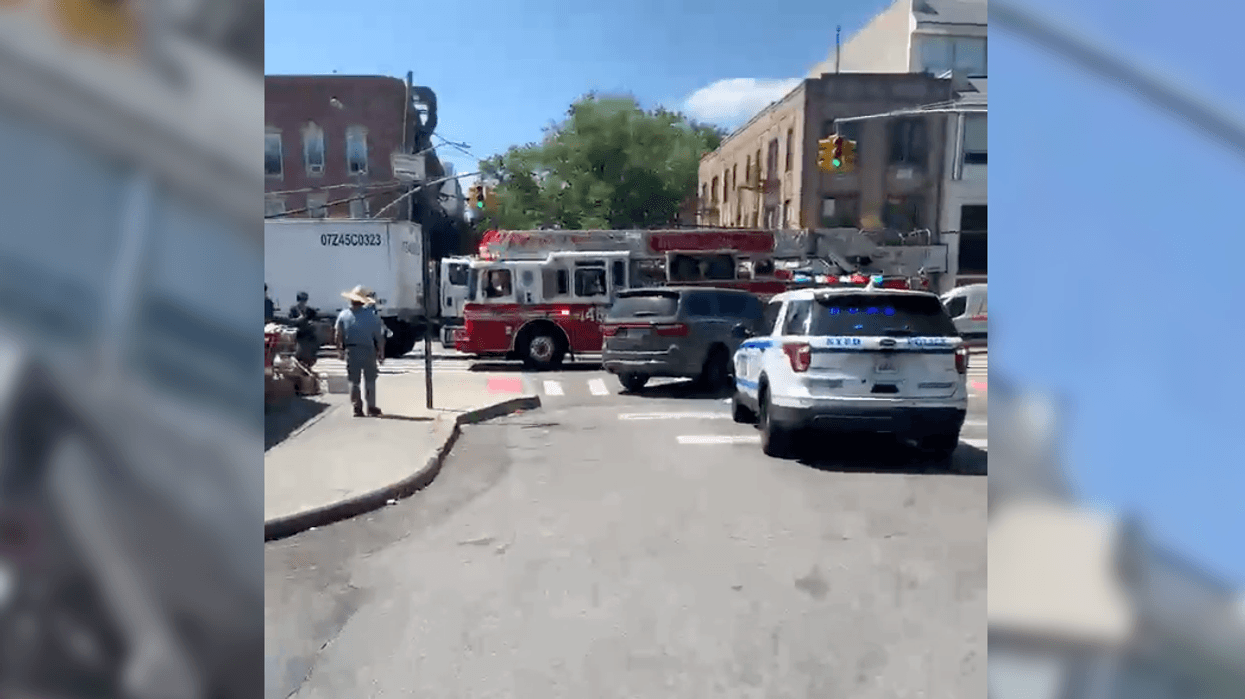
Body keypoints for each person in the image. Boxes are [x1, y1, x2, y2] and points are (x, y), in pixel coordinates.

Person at [334, 285, 386, 417]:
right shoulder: (372, 316)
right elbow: (379, 336)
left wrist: (340, 350)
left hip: (351, 350)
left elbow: (338, 334)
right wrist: (381, 353)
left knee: (354, 381)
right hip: (368, 349)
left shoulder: (343, 315)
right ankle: (371, 407)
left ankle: (357, 406)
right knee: (370, 379)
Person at [287, 291, 320, 369]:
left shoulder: (310, 311)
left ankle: (310, 361)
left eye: (304, 300)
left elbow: (316, 320)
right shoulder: (293, 310)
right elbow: (289, 321)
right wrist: (298, 320)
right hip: (298, 334)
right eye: (301, 300)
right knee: (298, 351)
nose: (303, 302)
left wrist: (312, 323)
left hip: (308, 334)